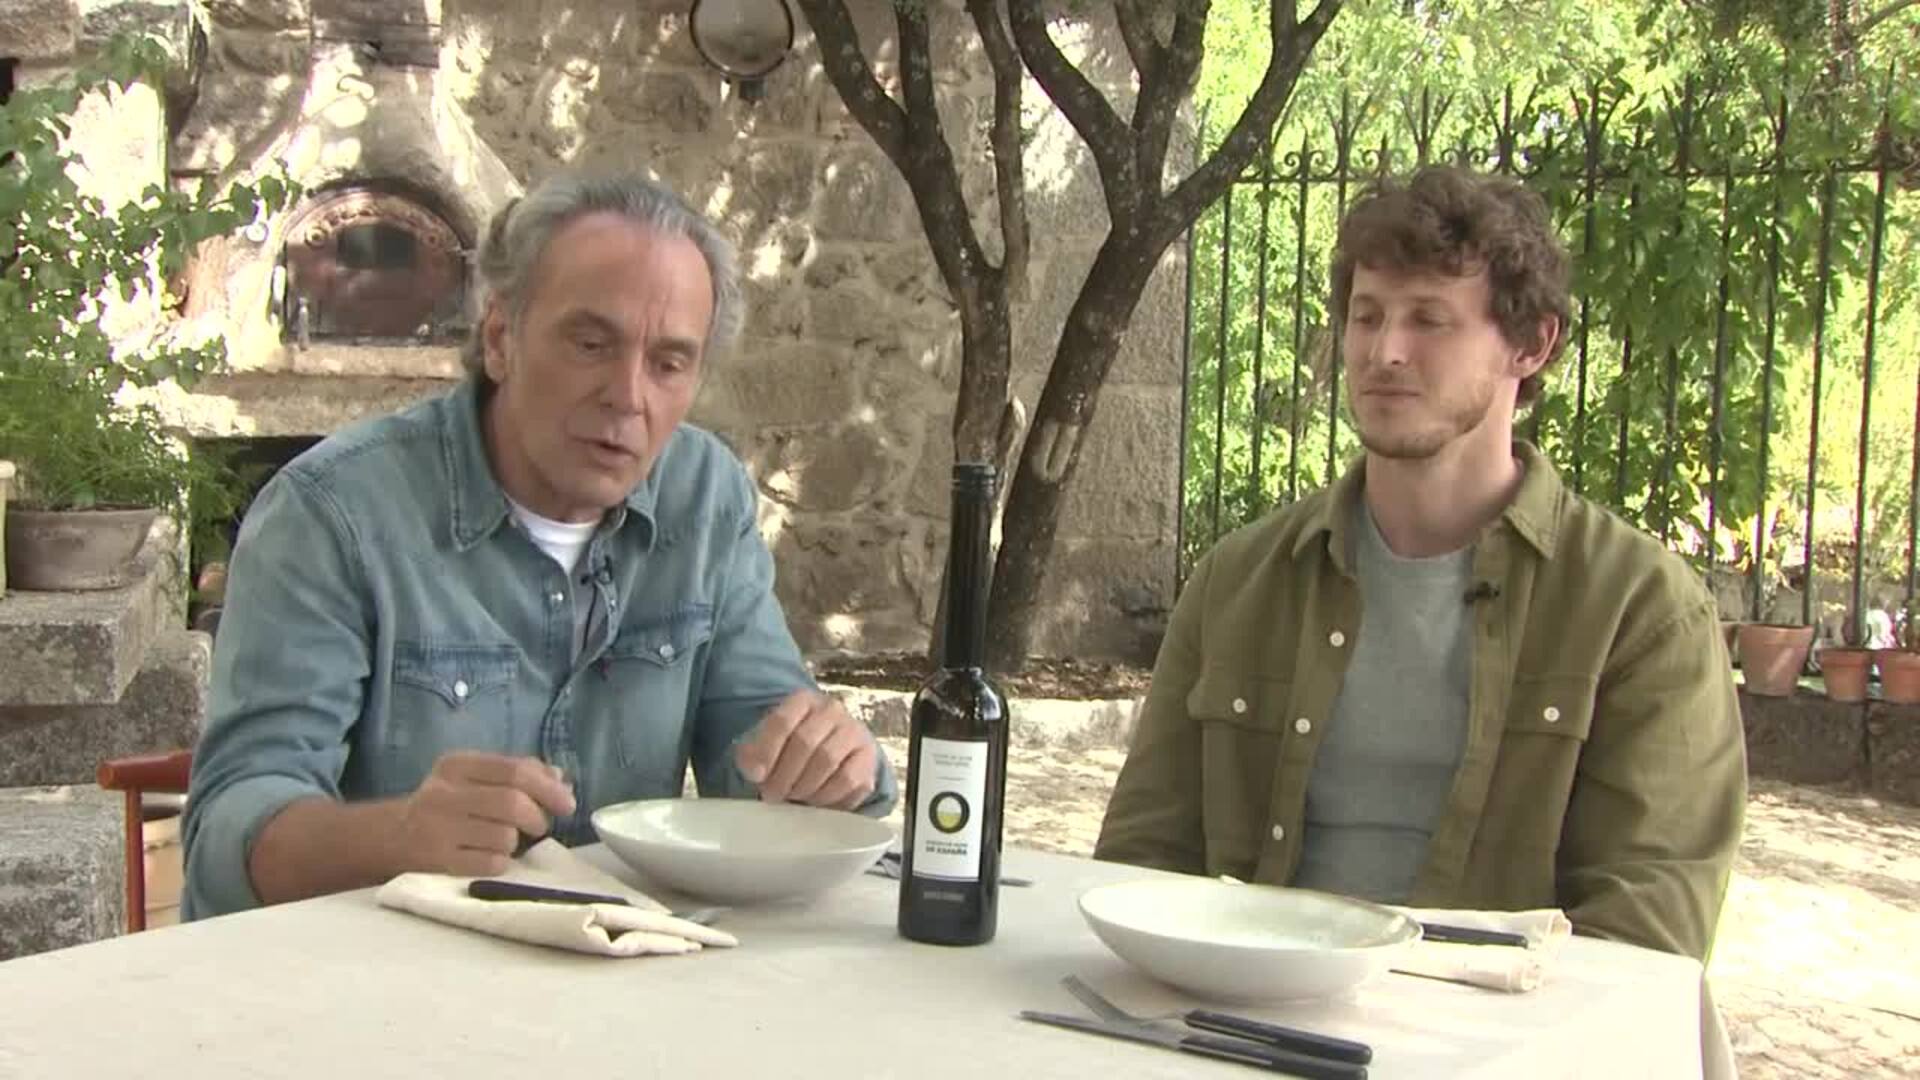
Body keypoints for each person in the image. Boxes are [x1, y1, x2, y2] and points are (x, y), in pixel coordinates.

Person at [182, 171, 897, 919]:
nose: (628, 396)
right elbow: (225, 843)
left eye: (668, 363)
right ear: (500, 337)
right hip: (381, 975)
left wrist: (830, 767)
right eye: (591, 344)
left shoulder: (705, 496)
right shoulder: (331, 514)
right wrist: (397, 837)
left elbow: (761, 761)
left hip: (627, 964)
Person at [1094, 166, 1746, 960]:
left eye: (1429, 320)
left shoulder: (1639, 610)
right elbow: (1140, 865)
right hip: (1235, 1006)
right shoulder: (1240, 579)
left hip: (1495, 1024)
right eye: (1366, 316)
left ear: (1532, 344)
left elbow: (1647, 936)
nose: (1385, 352)